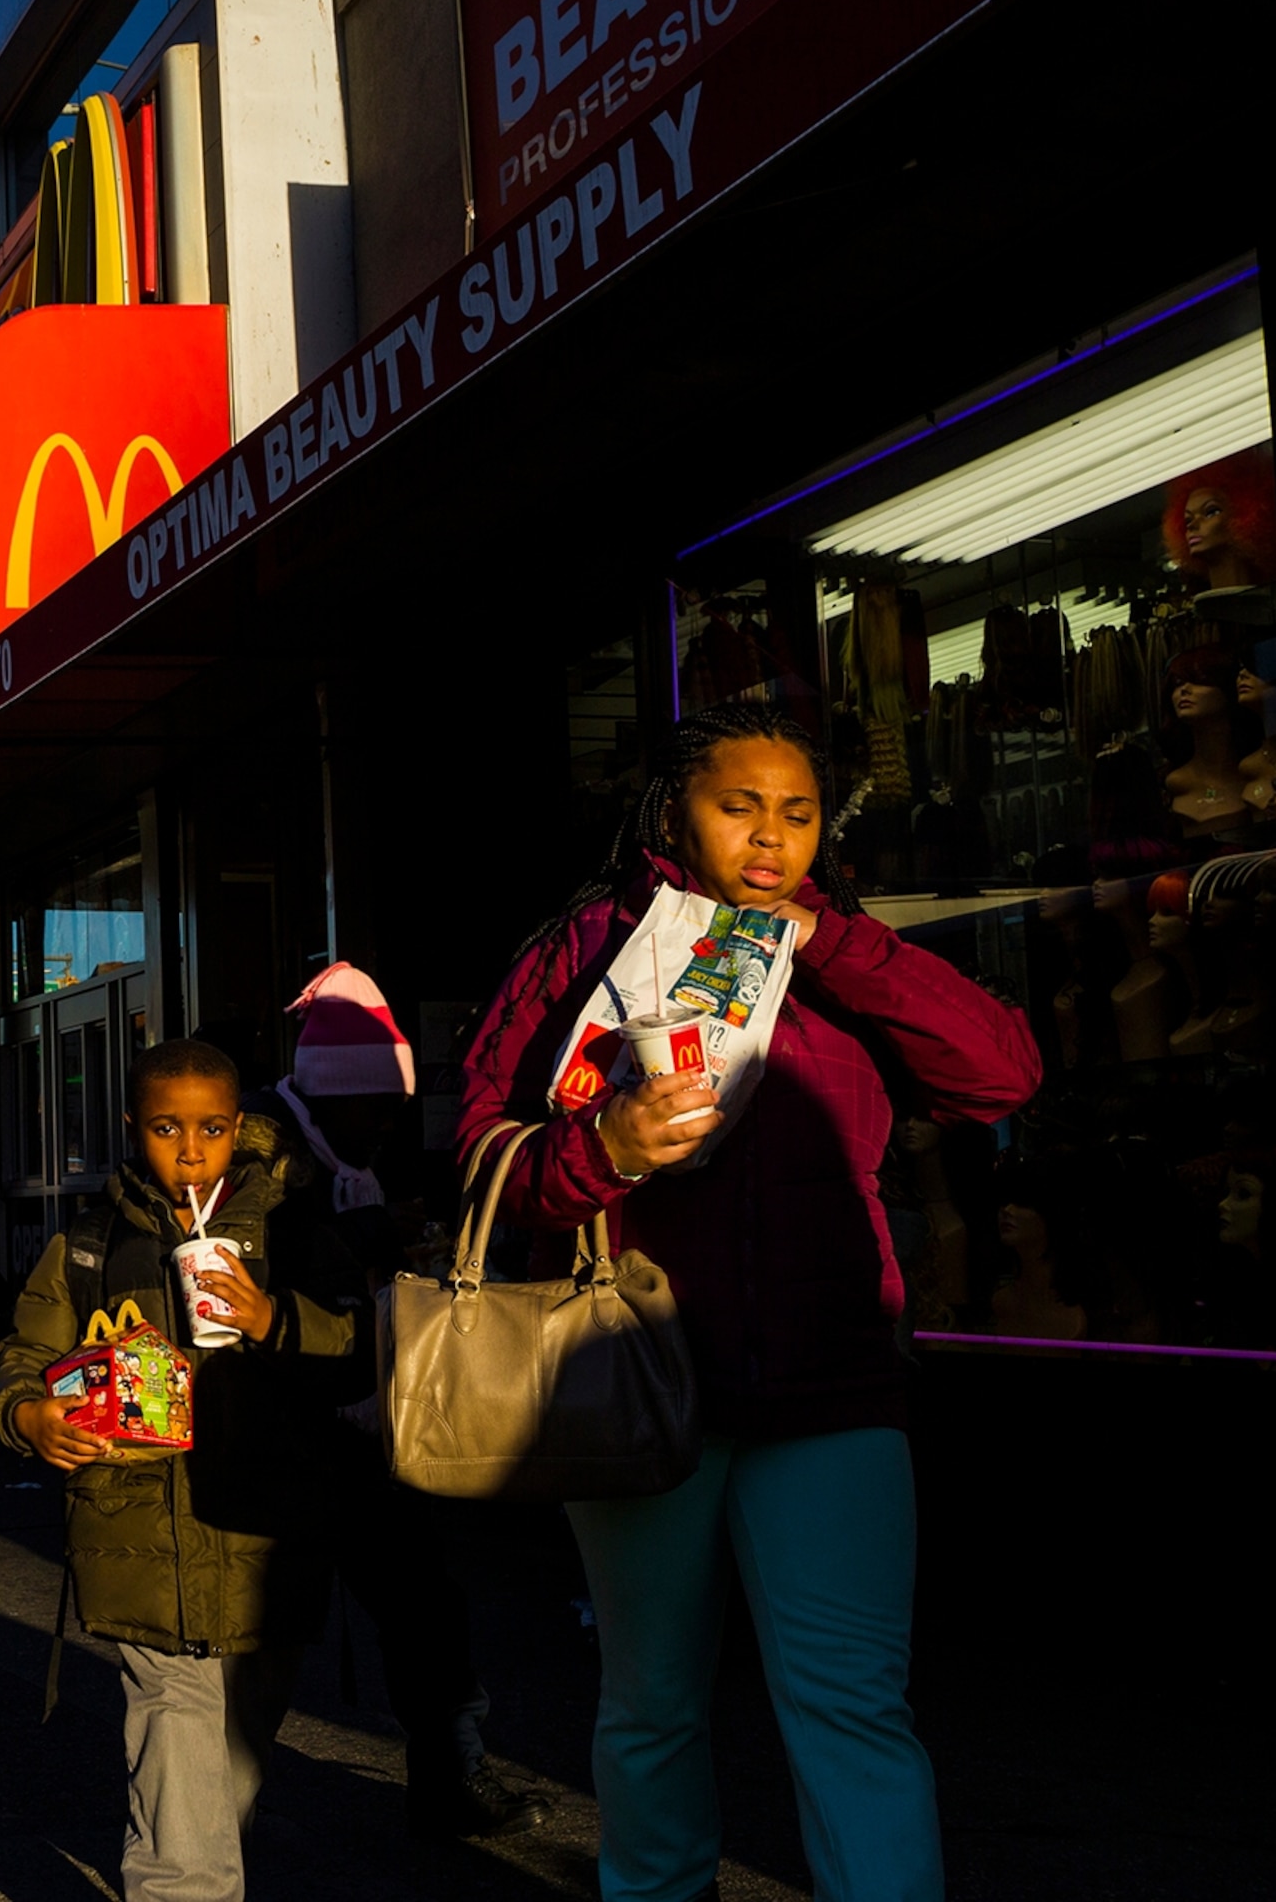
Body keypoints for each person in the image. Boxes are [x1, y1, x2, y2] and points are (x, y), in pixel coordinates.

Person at [457, 701, 1039, 1902]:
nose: (771, 836)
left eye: (799, 811)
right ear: (675, 808)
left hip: (836, 1386)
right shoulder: (588, 943)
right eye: (739, 805)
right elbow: (480, 1161)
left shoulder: (851, 950)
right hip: (637, 1380)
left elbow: (1002, 1074)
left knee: (854, 1707)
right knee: (653, 1701)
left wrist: (831, 943)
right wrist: (602, 1147)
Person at [0, 1036, 365, 1902]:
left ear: (240, 1129)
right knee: (174, 1721)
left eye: (211, 1129)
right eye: (166, 1129)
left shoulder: (295, 1230)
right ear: (133, 1128)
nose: (190, 1150)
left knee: (235, 1740)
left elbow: (365, 1352)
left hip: (265, 1531)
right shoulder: (90, 1243)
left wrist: (274, 1317)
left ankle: (195, 1851)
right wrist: (29, 1414)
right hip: (137, 1533)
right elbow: (26, 1352)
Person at [248, 962, 550, 1840]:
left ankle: (449, 1770)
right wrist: (371, 1238)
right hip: (289, 1425)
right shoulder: (268, 1153)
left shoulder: (342, 1153)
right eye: (372, 1107)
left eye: (392, 1106)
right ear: (328, 1093)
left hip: (364, 1423)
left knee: (423, 1601)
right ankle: (210, 1799)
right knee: (259, 1629)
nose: (385, 1125)